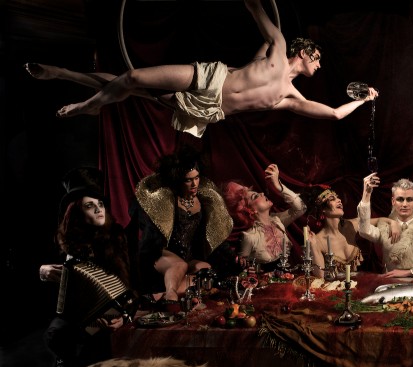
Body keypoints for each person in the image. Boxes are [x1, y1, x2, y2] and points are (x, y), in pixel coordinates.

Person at [24, 0, 379, 137]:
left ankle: (69, 80)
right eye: (318, 58)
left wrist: (363, 100)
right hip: (212, 77)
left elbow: (334, 114)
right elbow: (255, 7)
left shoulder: (290, 96)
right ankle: (82, 97)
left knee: (131, 88)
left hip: (210, 108)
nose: (320, 64)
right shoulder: (277, 46)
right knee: (132, 78)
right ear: (304, 52)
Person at [39, 167, 132, 367]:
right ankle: (65, 358)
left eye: (101, 204)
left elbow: (129, 287)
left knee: (97, 354)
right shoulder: (62, 239)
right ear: (76, 212)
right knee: (56, 332)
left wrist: (124, 316)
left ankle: (84, 359)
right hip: (73, 315)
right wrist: (41, 270)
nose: (99, 209)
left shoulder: (117, 238)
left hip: (108, 314)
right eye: (90, 206)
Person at [129, 145, 234, 306]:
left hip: (188, 256)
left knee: (205, 269)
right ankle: (171, 296)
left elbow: (213, 233)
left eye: (197, 178)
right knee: (180, 264)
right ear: (178, 180)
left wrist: (232, 256)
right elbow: (148, 230)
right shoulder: (167, 200)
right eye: (188, 180)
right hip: (164, 255)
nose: (194, 184)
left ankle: (158, 296)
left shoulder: (204, 201)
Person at [357, 174, 413, 279]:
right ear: (393, 201)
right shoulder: (386, 228)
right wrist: (366, 194)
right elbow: (364, 230)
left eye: (409, 199)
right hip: (390, 285)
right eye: (400, 199)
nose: (404, 204)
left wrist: (410, 272)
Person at [299, 184, 400, 278]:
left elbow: (379, 220)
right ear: (323, 209)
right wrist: (312, 246)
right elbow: (320, 276)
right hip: (337, 289)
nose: (339, 200)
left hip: (365, 283)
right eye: (332, 199)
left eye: (338, 197)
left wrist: (393, 223)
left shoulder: (352, 225)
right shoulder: (318, 240)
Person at [222, 163, 306, 271]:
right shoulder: (249, 237)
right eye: (255, 196)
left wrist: (278, 186)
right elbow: (242, 271)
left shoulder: (278, 221)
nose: (262, 193)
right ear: (250, 210)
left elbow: (301, 208)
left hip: (292, 277)